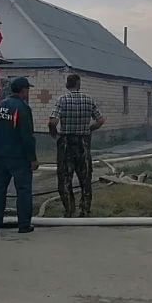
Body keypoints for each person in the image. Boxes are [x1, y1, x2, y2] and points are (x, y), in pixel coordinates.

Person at [0, 76, 38, 237]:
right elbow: (27, 136)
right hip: (17, 157)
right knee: (23, 191)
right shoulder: (22, 108)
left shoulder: (0, 105)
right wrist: (33, 158)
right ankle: (24, 224)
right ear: (23, 91)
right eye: (28, 90)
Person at [48, 73, 104, 217]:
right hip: (83, 143)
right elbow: (100, 120)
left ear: (67, 85)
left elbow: (53, 121)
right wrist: (90, 129)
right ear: (79, 84)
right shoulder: (88, 100)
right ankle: (85, 211)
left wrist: (53, 131)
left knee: (65, 179)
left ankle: (69, 211)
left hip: (66, 143)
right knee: (85, 179)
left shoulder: (62, 99)